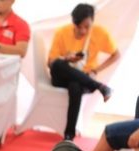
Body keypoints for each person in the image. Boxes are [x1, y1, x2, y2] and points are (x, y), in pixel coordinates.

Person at [48, 3, 119, 141]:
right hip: (62, 77)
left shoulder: (100, 33)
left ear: (92, 21)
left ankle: (69, 135)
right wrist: (67, 59)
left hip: (84, 79)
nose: (82, 31)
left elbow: (116, 54)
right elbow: (50, 63)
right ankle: (100, 86)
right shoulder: (61, 32)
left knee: (75, 85)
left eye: (87, 26)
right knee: (57, 63)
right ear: (73, 22)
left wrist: (96, 70)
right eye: (78, 26)